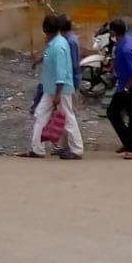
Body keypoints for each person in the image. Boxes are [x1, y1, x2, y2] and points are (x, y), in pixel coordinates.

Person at [21, 15, 84, 159]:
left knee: (68, 118)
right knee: (40, 114)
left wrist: (57, 94)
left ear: (45, 30)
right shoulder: (55, 43)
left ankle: (77, 150)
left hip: (59, 90)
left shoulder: (59, 46)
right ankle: (37, 149)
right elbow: (51, 58)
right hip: (51, 89)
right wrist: (39, 60)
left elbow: (61, 73)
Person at [107, 18, 132, 159]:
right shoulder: (125, 41)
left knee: (113, 112)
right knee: (128, 114)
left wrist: (127, 89)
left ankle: (130, 146)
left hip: (129, 86)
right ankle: (129, 142)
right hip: (125, 83)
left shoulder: (126, 48)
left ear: (114, 31)